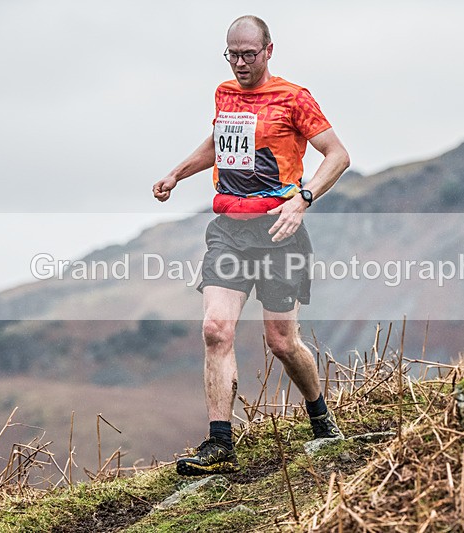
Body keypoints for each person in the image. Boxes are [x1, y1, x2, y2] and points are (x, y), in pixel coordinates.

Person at [152, 15, 350, 476]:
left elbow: (338, 155)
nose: (240, 63)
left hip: (280, 232)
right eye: (232, 54)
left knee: (282, 342)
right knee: (215, 330)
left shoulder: (294, 98)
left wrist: (303, 198)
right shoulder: (225, 94)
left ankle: (321, 417)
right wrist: (177, 173)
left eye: (249, 54)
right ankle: (220, 443)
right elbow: (220, 143)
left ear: (268, 51)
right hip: (229, 231)